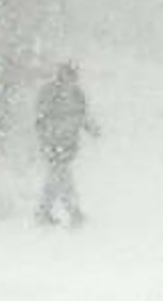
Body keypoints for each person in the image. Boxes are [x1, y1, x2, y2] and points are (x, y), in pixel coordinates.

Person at [35, 61, 99, 228]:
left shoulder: (77, 94)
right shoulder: (49, 92)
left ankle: (44, 212)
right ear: (61, 75)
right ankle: (73, 212)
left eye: (73, 76)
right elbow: (41, 119)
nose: (71, 79)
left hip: (69, 144)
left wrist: (92, 129)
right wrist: (47, 137)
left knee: (57, 178)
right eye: (68, 75)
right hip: (52, 144)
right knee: (62, 177)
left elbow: (83, 115)